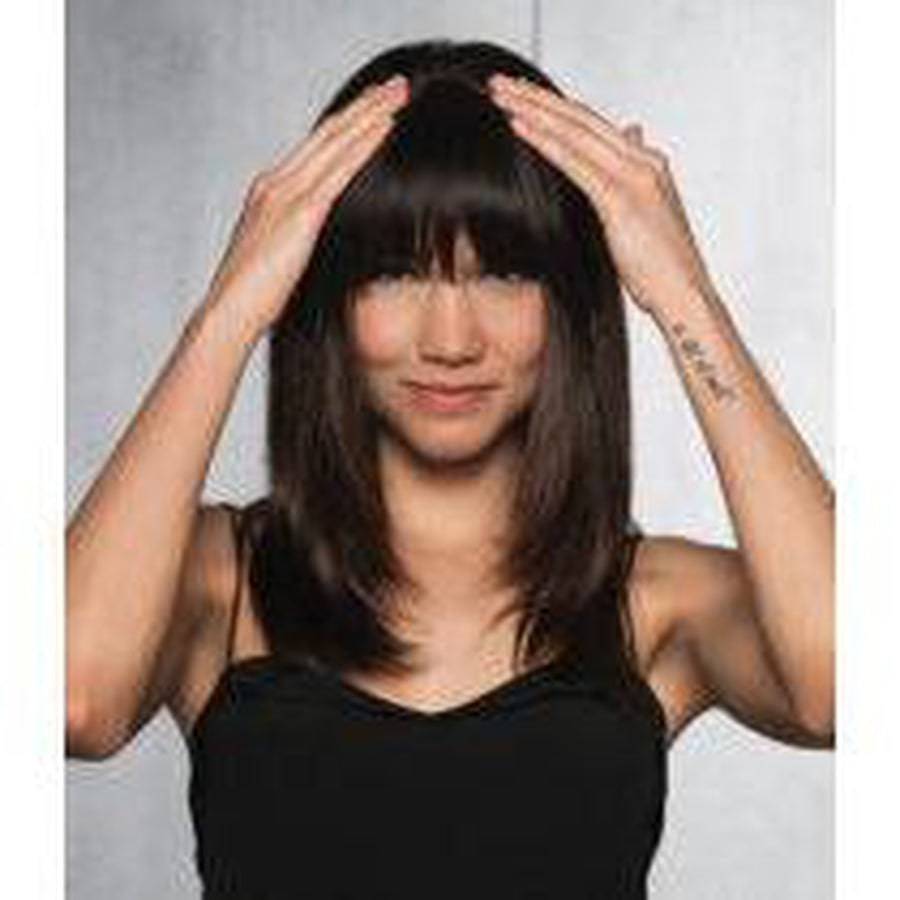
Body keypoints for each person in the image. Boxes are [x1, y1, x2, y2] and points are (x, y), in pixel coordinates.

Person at [66, 39, 834, 899]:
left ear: (568, 299)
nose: (451, 341)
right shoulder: (221, 580)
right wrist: (228, 314)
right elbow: (72, 701)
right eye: (395, 273)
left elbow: (845, 684)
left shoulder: (656, 604)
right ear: (324, 295)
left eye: (502, 273)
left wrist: (687, 297)